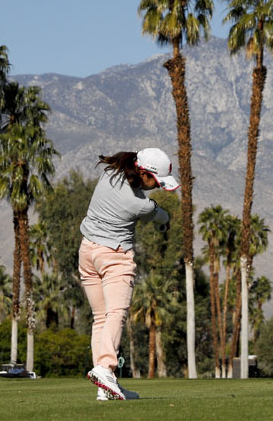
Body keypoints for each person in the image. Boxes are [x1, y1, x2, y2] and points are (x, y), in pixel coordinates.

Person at [79, 148, 179, 401]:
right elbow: (159, 215)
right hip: (115, 257)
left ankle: (105, 388)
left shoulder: (110, 174)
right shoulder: (140, 205)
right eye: (155, 182)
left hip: (87, 253)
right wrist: (165, 219)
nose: (156, 188)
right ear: (143, 173)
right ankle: (104, 369)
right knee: (116, 314)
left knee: (100, 318)